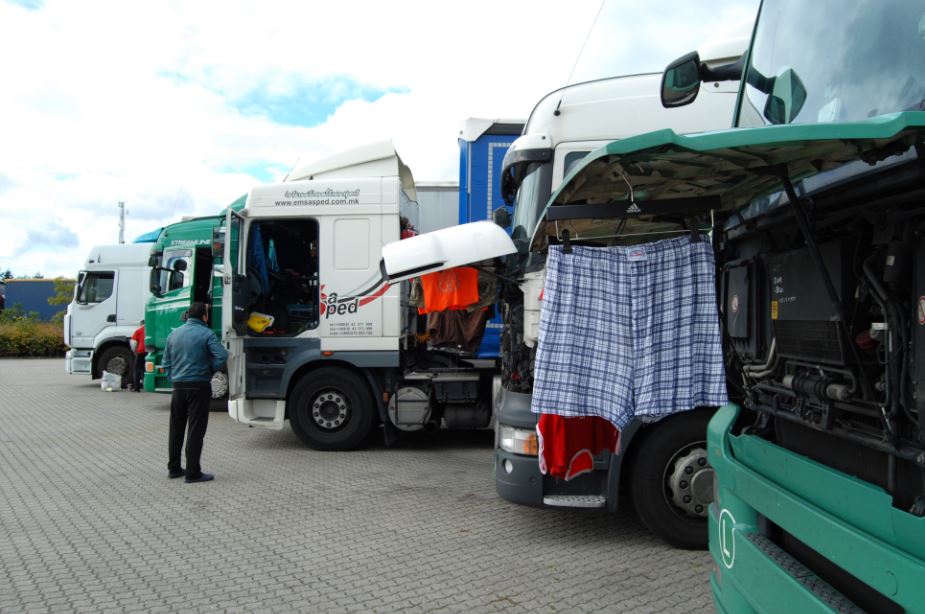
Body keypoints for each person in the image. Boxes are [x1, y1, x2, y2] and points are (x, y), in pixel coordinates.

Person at [161, 302, 227, 483]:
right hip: (199, 385)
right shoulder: (207, 333)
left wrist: (173, 378)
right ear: (204, 316)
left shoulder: (174, 334)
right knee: (196, 429)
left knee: (176, 428)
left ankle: (174, 469)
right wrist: (210, 370)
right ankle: (192, 472)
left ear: (188, 315)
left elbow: (166, 362)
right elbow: (222, 355)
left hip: (179, 386)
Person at [129, 320, 146, 392]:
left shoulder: (138, 331)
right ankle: (147, 385)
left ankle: (136, 387)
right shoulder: (152, 329)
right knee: (145, 369)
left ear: (141, 324)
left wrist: (134, 351)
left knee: (137, 369)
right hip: (150, 351)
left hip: (141, 351)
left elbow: (133, 343)